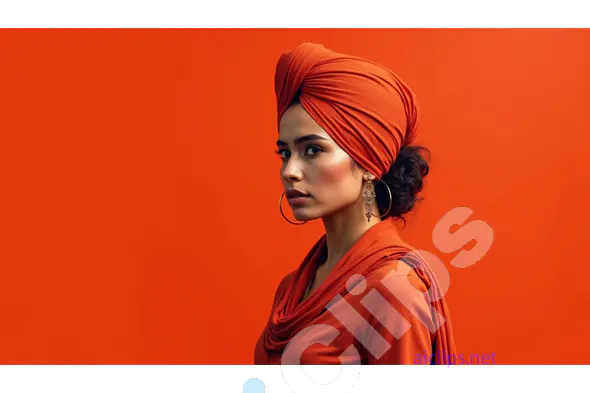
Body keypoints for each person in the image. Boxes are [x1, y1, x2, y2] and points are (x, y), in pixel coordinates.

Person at [254, 42, 457, 365]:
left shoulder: (393, 292)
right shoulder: (292, 288)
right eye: (285, 153)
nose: (290, 171)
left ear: (367, 162)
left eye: (312, 150)